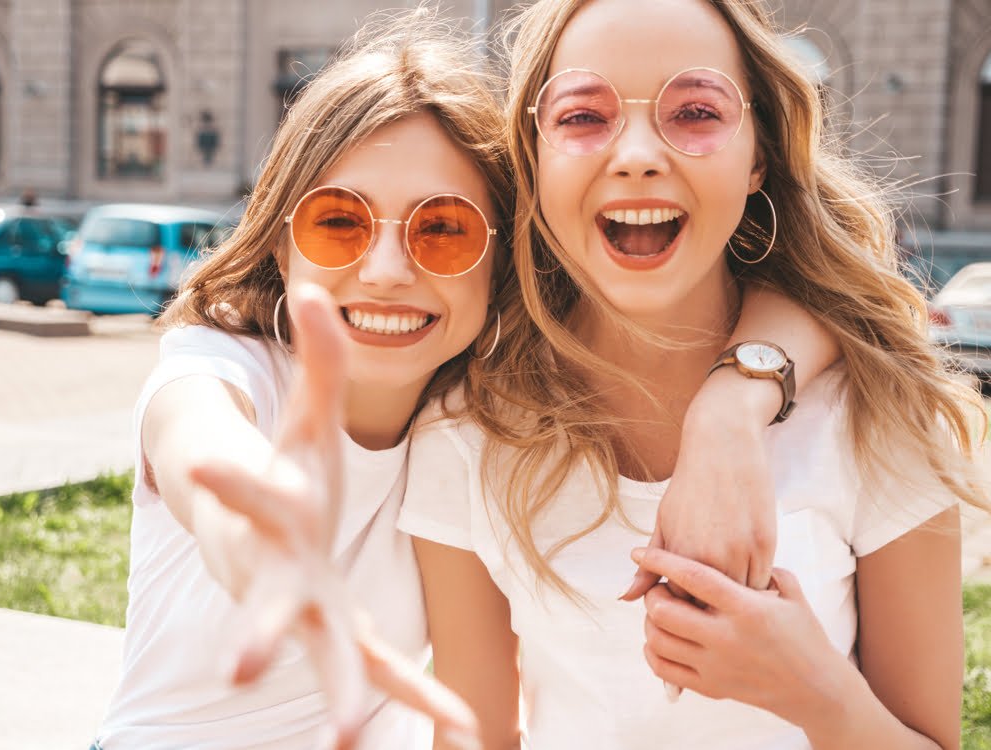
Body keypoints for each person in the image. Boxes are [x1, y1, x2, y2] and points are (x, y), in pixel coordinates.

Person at [94, 5, 840, 749]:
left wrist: (732, 404)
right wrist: (251, 533)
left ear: (500, 261)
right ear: (281, 245)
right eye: (339, 223)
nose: (387, 273)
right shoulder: (223, 366)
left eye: (443, 230)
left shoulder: (468, 415)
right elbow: (199, 443)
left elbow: (826, 306)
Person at [399, 1, 987, 749]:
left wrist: (819, 695)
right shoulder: (467, 428)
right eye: (584, 116)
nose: (638, 154)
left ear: (757, 158)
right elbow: (475, 735)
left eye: (696, 111)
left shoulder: (880, 412)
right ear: (534, 156)